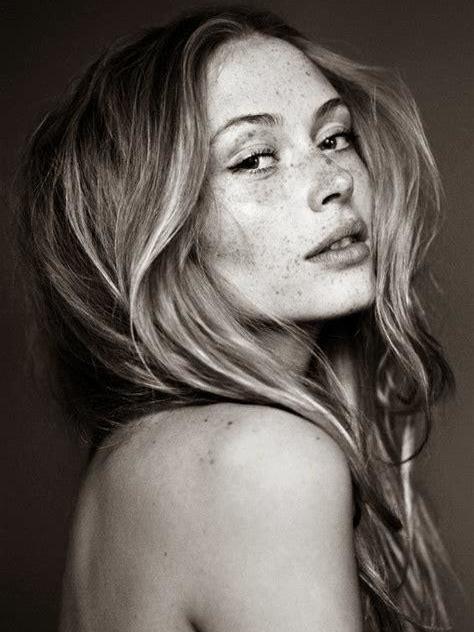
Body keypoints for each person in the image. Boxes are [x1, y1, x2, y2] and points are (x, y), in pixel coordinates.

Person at [15, 6, 455, 631]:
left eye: (334, 137)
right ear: (155, 225)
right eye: (254, 159)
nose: (334, 179)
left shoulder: (133, 459)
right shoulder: (259, 462)